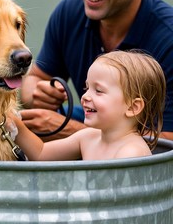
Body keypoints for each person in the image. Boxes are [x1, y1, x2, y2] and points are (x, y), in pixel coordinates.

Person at [20, 0, 173, 140]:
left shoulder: (168, 38)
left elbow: (167, 141)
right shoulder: (68, 13)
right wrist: (37, 94)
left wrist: (72, 131)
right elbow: (34, 80)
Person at [14, 50, 165, 160]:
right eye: (87, 88)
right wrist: (12, 122)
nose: (85, 96)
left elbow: (115, 201)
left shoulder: (131, 152)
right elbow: (41, 154)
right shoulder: (88, 138)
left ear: (133, 107)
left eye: (98, 91)